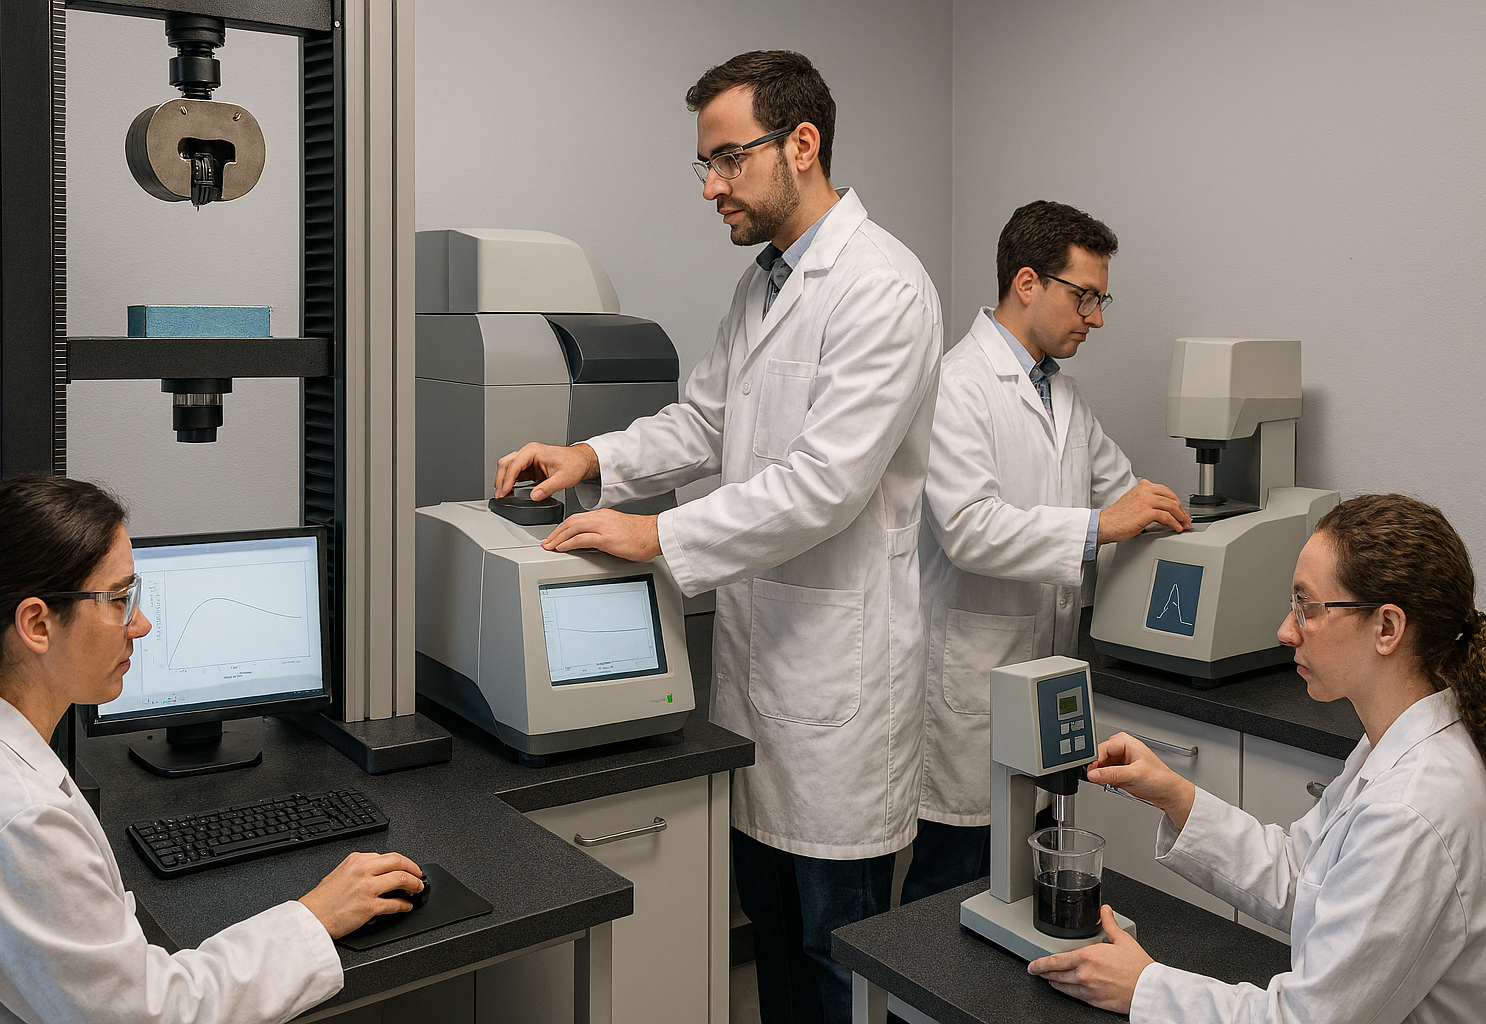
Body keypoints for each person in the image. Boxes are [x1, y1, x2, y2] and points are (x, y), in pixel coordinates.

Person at [494, 50, 942, 1024]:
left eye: (729, 160)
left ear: (803, 145)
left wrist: (656, 533)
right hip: (760, 688)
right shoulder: (764, 286)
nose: (711, 186)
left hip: (838, 707)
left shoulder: (883, 288)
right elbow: (703, 423)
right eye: (703, 164)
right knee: (775, 947)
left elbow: (824, 483)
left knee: (835, 967)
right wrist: (588, 457)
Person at [0, 474, 427, 1024]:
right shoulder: (18, 824)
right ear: (36, 623)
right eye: (119, 599)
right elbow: (154, 1015)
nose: (143, 624)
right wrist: (315, 916)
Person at [1029, 493, 1486, 1021]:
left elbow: (1307, 1019)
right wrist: (1177, 796)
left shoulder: (1415, 810)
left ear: (1387, 628)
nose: (1285, 630)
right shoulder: (1396, 741)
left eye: (1307, 606)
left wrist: (1145, 989)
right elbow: (1302, 875)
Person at [903, 200, 1190, 903]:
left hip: (1044, 682)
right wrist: (1101, 527)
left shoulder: (1066, 398)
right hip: (971, 689)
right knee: (953, 884)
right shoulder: (956, 386)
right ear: (1027, 283)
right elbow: (969, 527)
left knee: (1018, 880)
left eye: (1101, 298)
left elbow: (1125, 496)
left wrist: (1178, 522)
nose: (1095, 317)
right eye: (1083, 296)